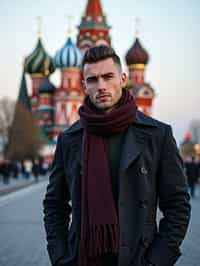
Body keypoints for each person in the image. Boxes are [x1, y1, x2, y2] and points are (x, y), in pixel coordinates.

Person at [43, 45, 191, 266]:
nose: (101, 86)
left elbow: (177, 204)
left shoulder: (156, 135)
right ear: (84, 85)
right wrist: (60, 256)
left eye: (107, 76)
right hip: (82, 258)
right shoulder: (70, 139)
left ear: (122, 78)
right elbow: (55, 204)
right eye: (92, 79)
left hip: (137, 258)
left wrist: (158, 260)